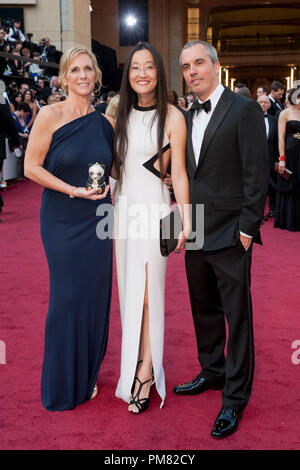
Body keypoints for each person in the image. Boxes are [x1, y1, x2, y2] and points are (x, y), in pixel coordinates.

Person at [172, 40, 269, 439]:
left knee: (237, 316)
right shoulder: (185, 115)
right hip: (194, 229)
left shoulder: (243, 109)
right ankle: (211, 372)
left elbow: (256, 174)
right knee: (203, 308)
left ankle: (235, 397)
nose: (192, 71)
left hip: (231, 233)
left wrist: (247, 230)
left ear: (215, 66)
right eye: (185, 66)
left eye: (199, 63)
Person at [24, 46, 114, 411]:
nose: (82, 76)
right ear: (63, 77)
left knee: (95, 298)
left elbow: (114, 168)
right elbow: (31, 167)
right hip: (62, 219)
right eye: (74, 70)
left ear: (96, 76)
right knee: (67, 297)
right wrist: (73, 190)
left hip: (99, 221)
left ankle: (88, 374)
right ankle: (63, 380)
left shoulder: (105, 122)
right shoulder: (49, 114)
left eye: (88, 69)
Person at [114, 42, 190, 414]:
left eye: (149, 67)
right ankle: (136, 364)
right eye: (135, 67)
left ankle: (146, 370)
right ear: (127, 75)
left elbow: (178, 173)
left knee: (148, 295)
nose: (141, 73)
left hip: (157, 212)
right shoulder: (118, 113)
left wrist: (188, 221)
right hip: (122, 212)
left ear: (160, 73)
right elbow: (116, 170)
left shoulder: (173, 116)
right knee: (131, 294)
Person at [274, 86, 300, 231]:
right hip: (290, 153)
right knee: (290, 184)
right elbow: (280, 138)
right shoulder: (285, 113)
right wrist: (282, 158)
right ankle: (289, 220)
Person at [257, 94, 278, 218]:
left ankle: (273, 210)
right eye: (261, 102)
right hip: (256, 160)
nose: (263, 104)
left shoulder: (274, 120)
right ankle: (257, 213)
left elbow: (276, 142)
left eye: (266, 102)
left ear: (269, 105)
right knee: (258, 188)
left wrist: (277, 160)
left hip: (270, 159)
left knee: (272, 187)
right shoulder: (250, 120)